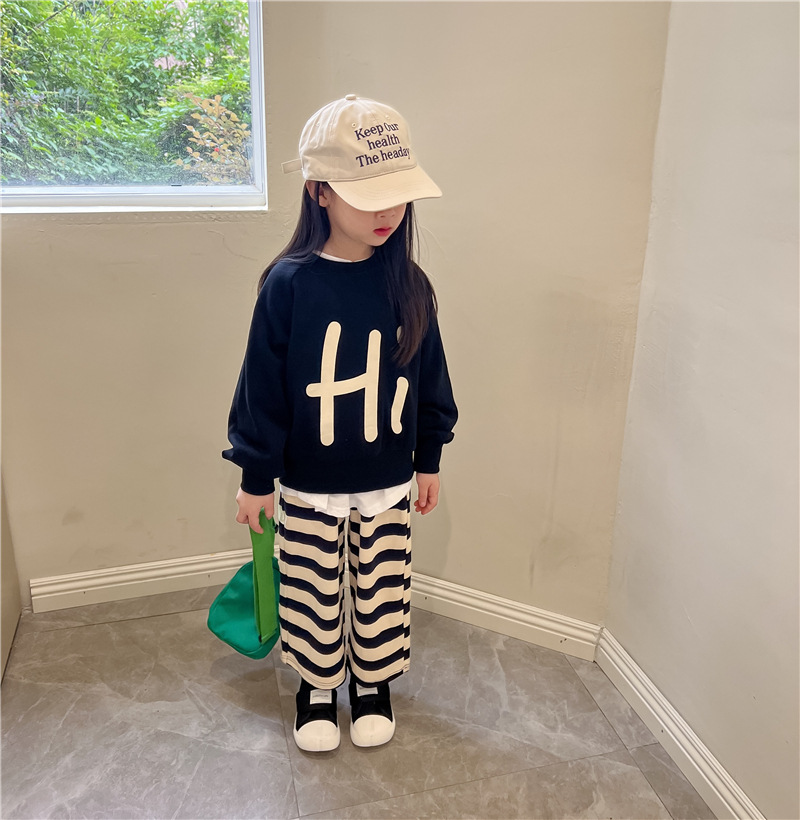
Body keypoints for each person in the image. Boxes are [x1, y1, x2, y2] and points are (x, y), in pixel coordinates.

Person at [222, 94, 457, 753]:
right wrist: (255, 476)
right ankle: (317, 688)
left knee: (381, 590)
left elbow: (430, 378)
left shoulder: (409, 284)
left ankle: (372, 685)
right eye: (366, 196)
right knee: (312, 590)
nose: (387, 212)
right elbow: (262, 389)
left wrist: (430, 457)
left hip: (387, 481)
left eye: (398, 197)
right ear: (318, 191)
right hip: (307, 485)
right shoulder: (288, 285)